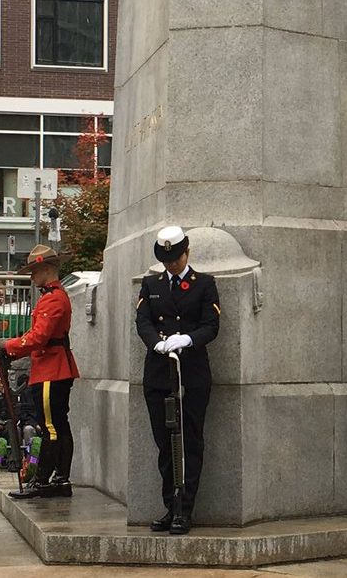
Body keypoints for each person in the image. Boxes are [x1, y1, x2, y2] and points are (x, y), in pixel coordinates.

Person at [136, 226, 221, 534]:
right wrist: (155, 343)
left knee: (189, 442)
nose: (171, 264)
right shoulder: (151, 284)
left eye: (176, 258)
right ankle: (170, 507)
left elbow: (212, 326)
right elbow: (143, 321)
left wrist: (188, 338)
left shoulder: (205, 285)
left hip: (191, 373)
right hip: (159, 373)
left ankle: (185, 510)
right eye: (166, 260)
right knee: (165, 443)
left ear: (187, 252)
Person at [0, 244, 80, 500]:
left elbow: (39, 337)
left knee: (51, 428)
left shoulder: (53, 298)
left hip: (51, 369)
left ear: (46, 269)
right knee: (58, 426)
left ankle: (44, 480)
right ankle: (60, 479)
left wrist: (8, 347)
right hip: (53, 367)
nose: (31, 277)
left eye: (34, 271)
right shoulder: (53, 296)